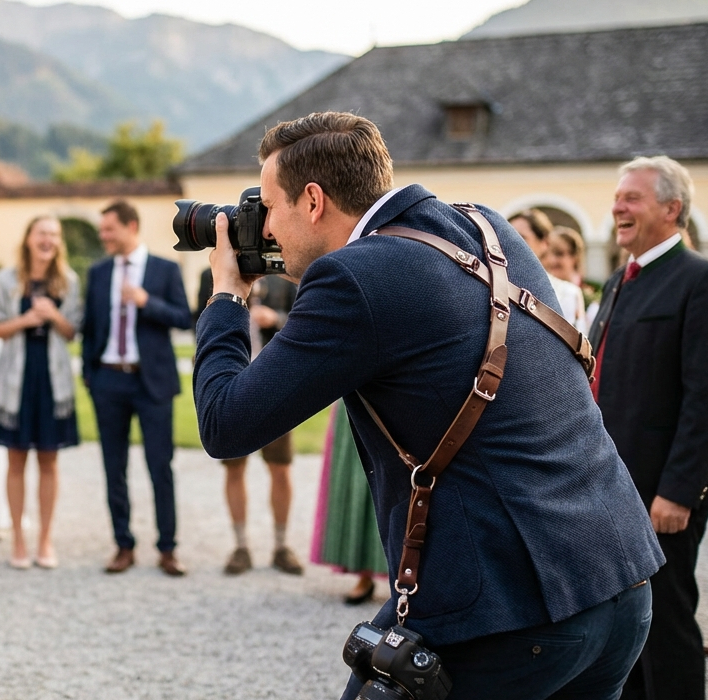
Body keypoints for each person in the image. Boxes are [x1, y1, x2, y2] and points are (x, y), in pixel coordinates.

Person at [193, 111, 662, 700]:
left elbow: (225, 422)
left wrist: (227, 297)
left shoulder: (356, 276)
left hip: (512, 606)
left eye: (269, 207)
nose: (262, 230)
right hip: (618, 575)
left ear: (313, 201)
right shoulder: (485, 226)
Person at [587, 156, 708, 700]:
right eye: (617, 197)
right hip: (613, 488)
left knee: (666, 625)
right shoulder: (618, 282)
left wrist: (678, 491)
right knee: (625, 628)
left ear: (672, 208)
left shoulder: (705, 279)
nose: (617, 208)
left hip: (662, 494)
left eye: (633, 198)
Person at [81, 199, 193, 576]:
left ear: (130, 226)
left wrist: (147, 302)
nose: (103, 236)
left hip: (152, 382)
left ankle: (167, 548)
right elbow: (90, 329)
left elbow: (182, 317)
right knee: (114, 467)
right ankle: (123, 545)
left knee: (160, 466)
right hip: (109, 379)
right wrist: (90, 376)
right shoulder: (97, 273)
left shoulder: (164, 269)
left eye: (108, 229)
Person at [0, 215, 83, 569]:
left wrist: (54, 316)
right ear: (29, 238)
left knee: (49, 460)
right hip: (16, 379)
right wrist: (26, 321)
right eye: (42, 233)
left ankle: (45, 540)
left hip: (51, 380)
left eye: (54, 235)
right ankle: (19, 542)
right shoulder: (6, 280)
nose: (48, 240)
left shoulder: (67, 281)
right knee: (15, 460)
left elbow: (73, 331)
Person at [195, 269, 303, 575]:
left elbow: (305, 322)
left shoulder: (284, 274)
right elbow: (198, 322)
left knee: (280, 468)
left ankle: (281, 545)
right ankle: (241, 546)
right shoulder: (213, 274)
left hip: (275, 385)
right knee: (234, 468)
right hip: (232, 384)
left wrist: (277, 319)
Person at [310, 403, 388, 604]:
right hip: (356, 394)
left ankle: (418, 582)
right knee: (358, 481)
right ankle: (365, 571)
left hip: (402, 390)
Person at [509, 209, 586, 329]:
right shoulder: (493, 288)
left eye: (521, 237)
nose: (510, 243)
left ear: (544, 243)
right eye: (508, 237)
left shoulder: (568, 293)